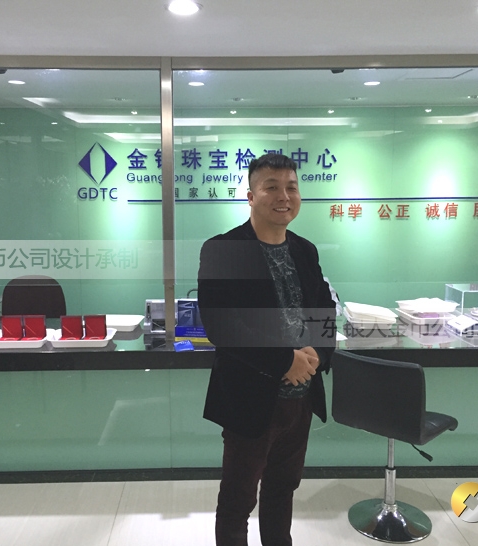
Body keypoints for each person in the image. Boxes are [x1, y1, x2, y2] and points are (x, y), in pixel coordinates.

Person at [197, 153, 337, 546]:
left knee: (282, 491)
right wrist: (284, 360)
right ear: (251, 196)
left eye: (291, 187)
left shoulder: (305, 250)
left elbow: (325, 309)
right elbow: (222, 325)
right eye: (271, 187)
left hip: (300, 399)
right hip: (249, 399)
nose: (284, 196)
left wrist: (318, 354)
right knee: (237, 501)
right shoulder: (224, 249)